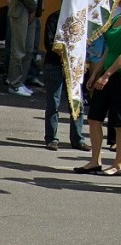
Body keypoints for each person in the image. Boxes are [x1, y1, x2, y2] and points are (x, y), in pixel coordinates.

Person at [73, 14, 121, 175]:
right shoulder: (116, 18)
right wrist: (95, 74)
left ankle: (118, 164)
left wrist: (107, 75)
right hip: (106, 74)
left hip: (118, 76)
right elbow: (108, 50)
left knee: (119, 123)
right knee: (94, 118)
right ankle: (95, 161)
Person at [43, 8, 86, 151]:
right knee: (53, 103)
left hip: (74, 66)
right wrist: (66, 52)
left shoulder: (80, 19)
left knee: (77, 102)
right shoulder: (54, 18)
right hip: (54, 64)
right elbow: (49, 43)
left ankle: (78, 139)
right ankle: (51, 138)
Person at [6, 0, 38, 96]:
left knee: (29, 50)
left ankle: (21, 82)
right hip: (20, 10)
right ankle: (14, 83)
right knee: (18, 50)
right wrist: (33, 8)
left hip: (32, 10)